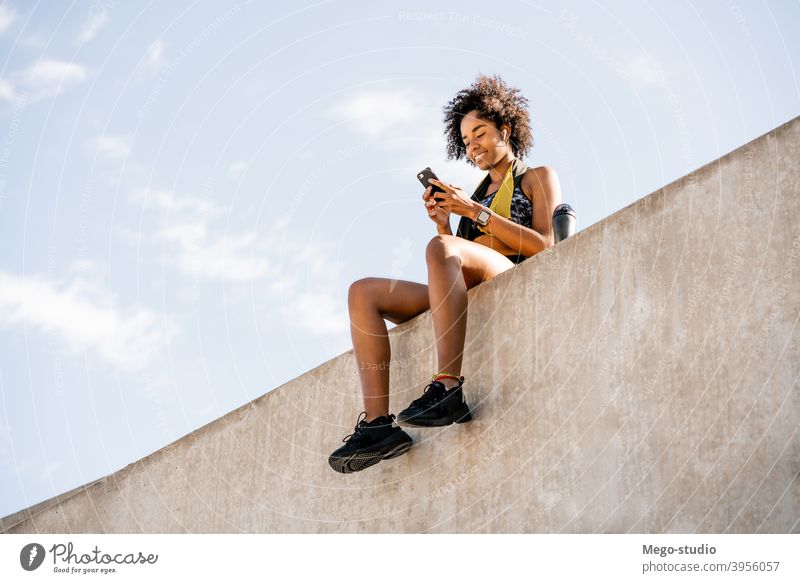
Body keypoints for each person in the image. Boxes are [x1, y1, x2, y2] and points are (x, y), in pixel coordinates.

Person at [328, 74, 563, 474]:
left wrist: (471, 212)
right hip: (469, 282)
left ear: (505, 130)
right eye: (467, 142)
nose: (474, 147)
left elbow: (544, 244)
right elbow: (453, 255)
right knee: (363, 292)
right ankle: (378, 427)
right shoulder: (472, 197)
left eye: (481, 134)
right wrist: (443, 222)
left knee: (441, 248)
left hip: (511, 271)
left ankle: (448, 386)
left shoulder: (535, 176)